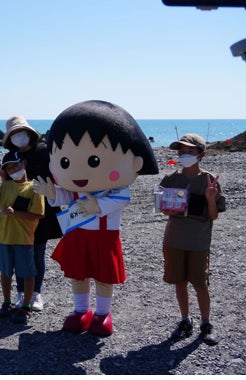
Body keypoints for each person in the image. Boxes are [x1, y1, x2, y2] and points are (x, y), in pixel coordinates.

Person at [32, 100, 159, 337]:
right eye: (65, 162)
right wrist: (53, 193)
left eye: (94, 161)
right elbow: (65, 196)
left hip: (105, 237)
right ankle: (81, 311)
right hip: (76, 234)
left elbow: (122, 200)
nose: (79, 171)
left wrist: (97, 205)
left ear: (136, 163)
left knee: (103, 276)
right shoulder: (75, 190)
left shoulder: (116, 192)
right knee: (77, 274)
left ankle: (102, 314)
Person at [0, 116, 63, 310]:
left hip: (44, 208)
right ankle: (22, 294)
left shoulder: (45, 151)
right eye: (13, 134)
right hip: (18, 212)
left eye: (20, 131)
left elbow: (59, 174)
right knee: (20, 253)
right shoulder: (11, 155)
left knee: (37, 253)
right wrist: (1, 173)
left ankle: (36, 295)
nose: (18, 136)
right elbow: (12, 182)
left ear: (29, 133)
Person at [160, 133, 225, 345]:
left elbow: (214, 215)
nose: (184, 155)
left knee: (200, 284)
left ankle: (206, 323)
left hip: (198, 242)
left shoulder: (209, 180)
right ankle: (185, 320)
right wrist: (169, 208)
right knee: (179, 282)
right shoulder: (171, 179)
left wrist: (209, 198)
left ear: (201, 154)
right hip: (174, 240)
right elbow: (164, 210)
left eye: (190, 151)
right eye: (181, 151)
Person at [0, 151, 45, 324]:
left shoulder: (35, 187)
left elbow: (38, 215)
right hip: (2, 235)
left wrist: (16, 213)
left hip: (23, 238)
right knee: (5, 271)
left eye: (15, 165)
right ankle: (7, 302)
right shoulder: (6, 185)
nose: (13, 170)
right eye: (9, 169)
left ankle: (26, 306)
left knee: (27, 273)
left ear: (24, 163)